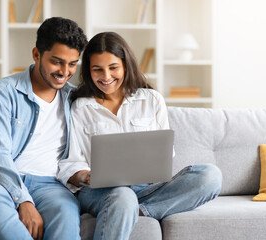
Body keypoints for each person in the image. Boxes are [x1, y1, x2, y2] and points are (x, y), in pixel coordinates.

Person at [57, 32, 222, 240]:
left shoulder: (151, 99)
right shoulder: (81, 107)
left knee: (210, 175)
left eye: (113, 68)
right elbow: (71, 161)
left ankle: (137, 211)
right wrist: (85, 175)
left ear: (126, 65)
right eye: (97, 69)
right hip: (101, 191)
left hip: (148, 188)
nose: (106, 77)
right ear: (89, 72)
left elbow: (164, 154)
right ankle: (126, 206)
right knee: (123, 195)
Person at [0, 17, 88, 240]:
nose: (65, 71)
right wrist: (23, 199)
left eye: (72, 64)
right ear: (36, 54)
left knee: (66, 213)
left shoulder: (75, 98)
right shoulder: (0, 93)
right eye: (57, 62)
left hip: (51, 186)